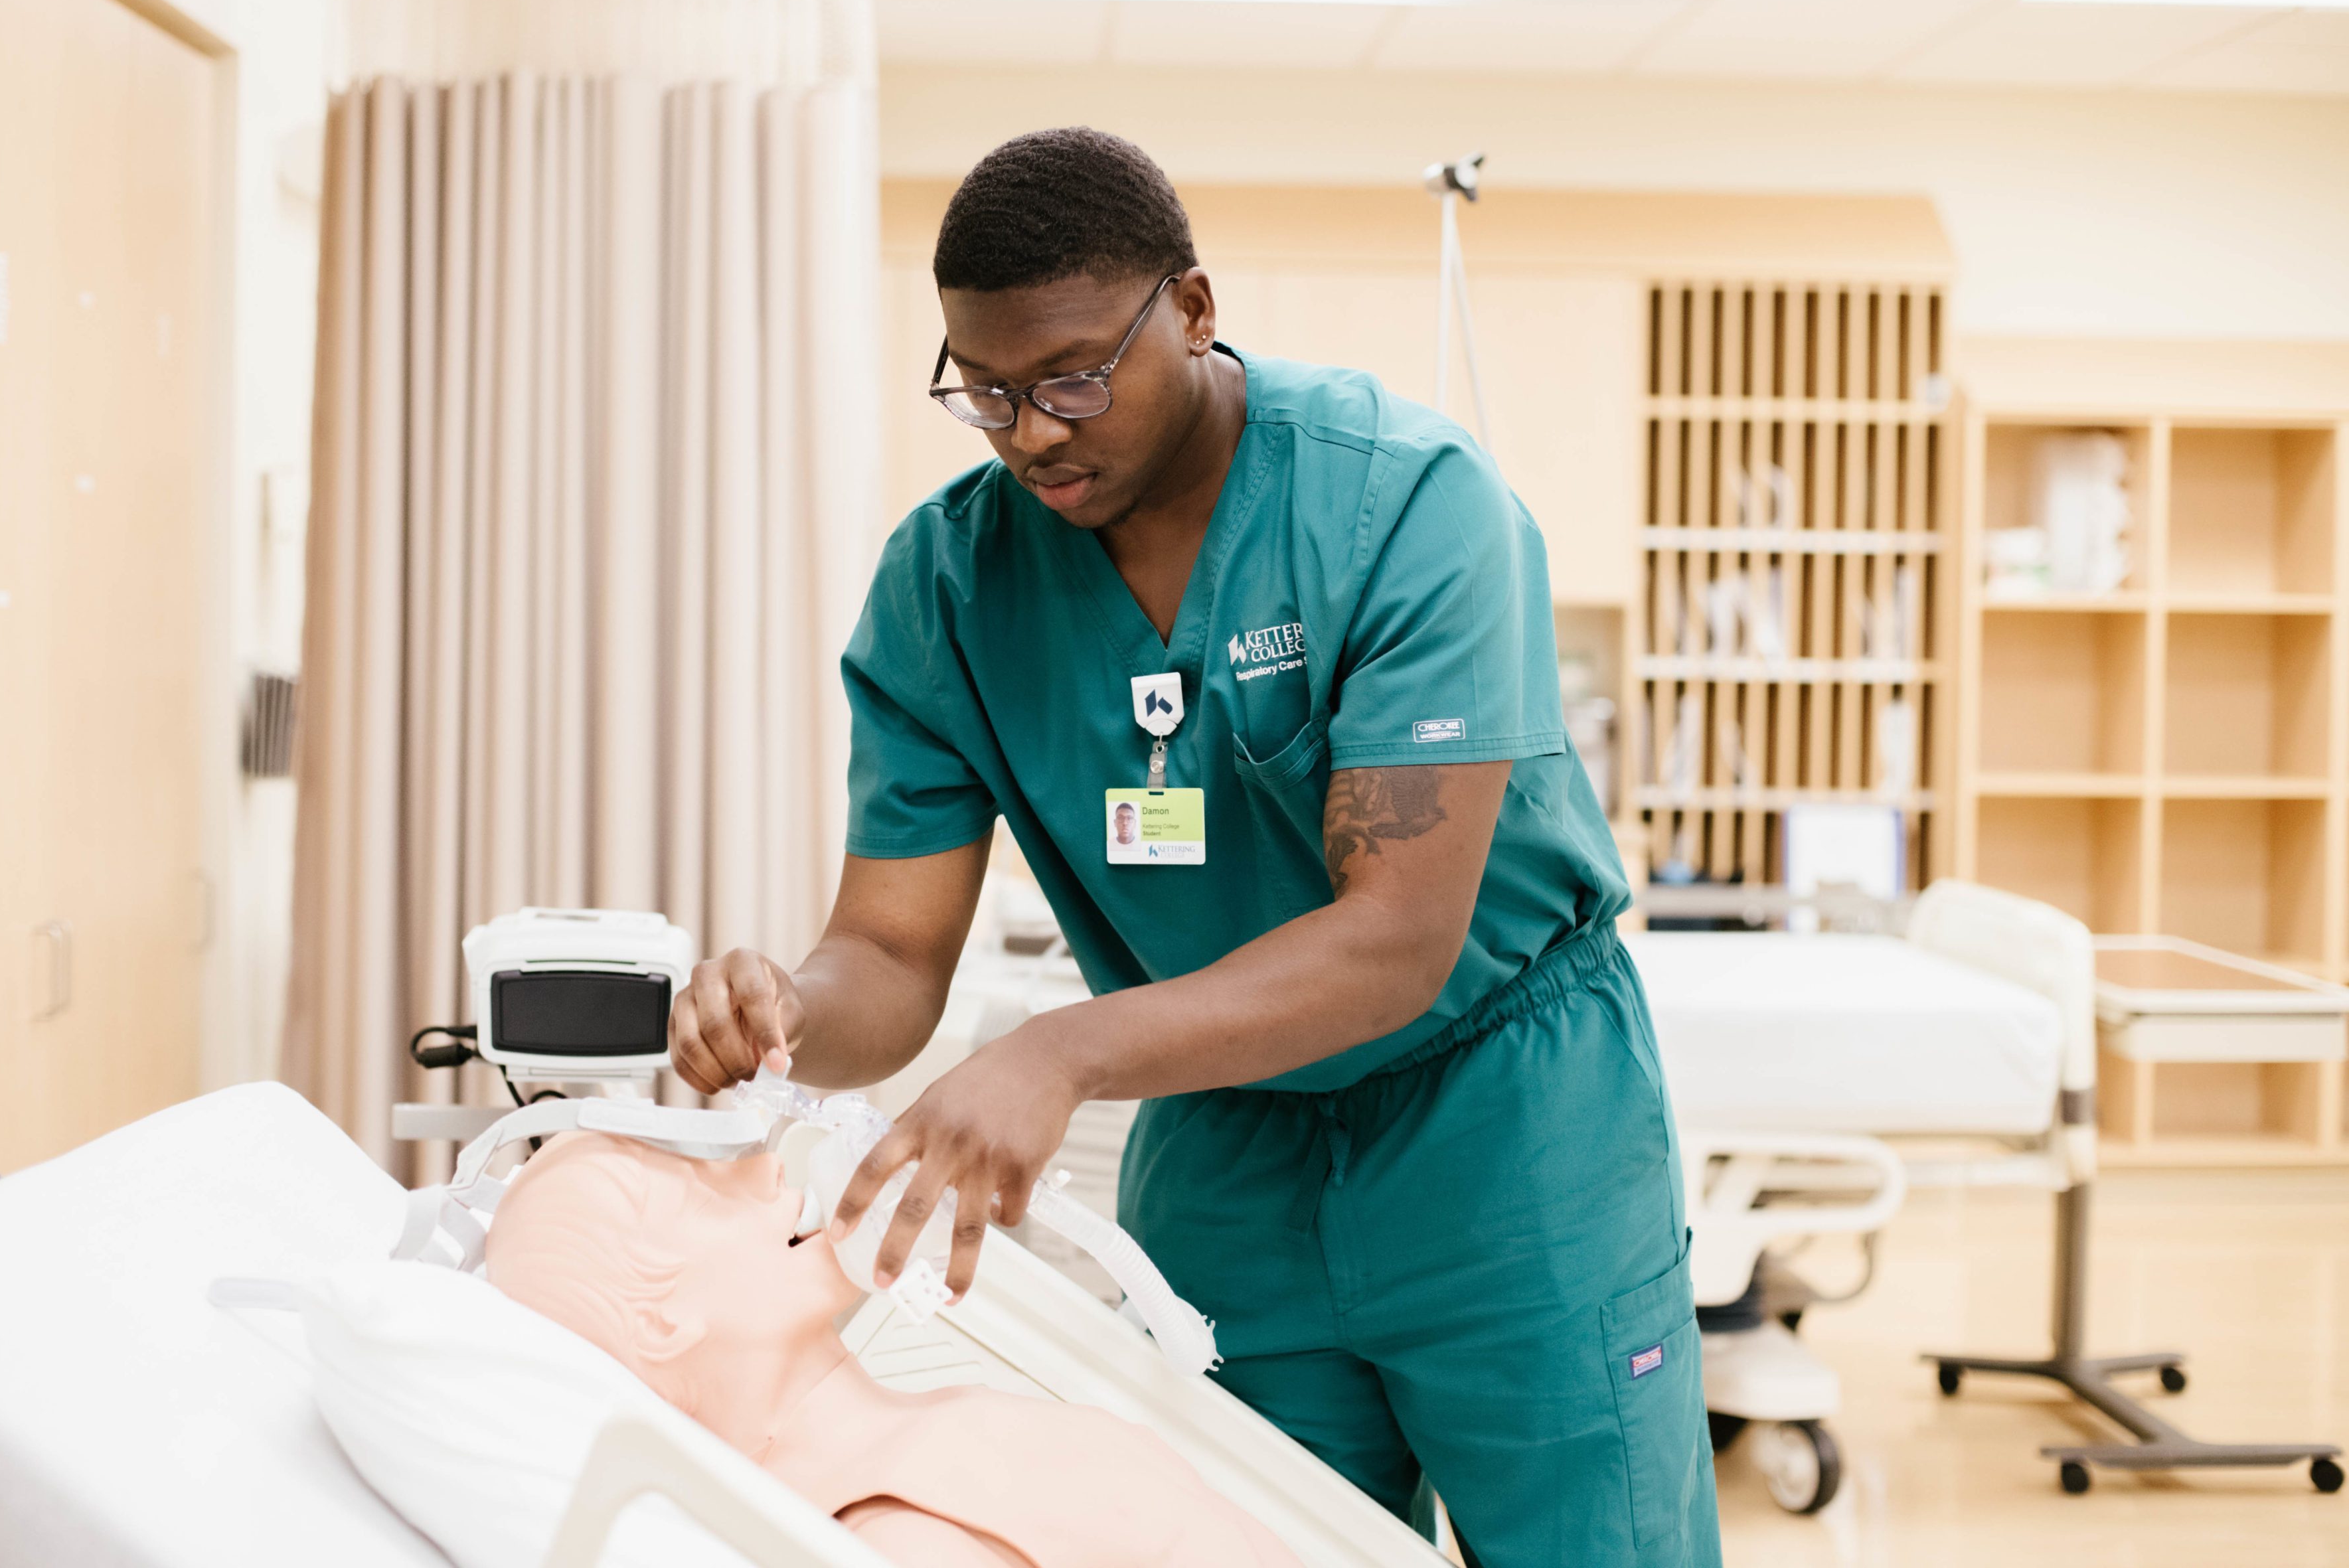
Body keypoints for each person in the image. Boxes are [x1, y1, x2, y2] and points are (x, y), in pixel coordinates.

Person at [669, 127, 1719, 1566]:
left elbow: (1395, 938)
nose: (1033, 430)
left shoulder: (1406, 506)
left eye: (1076, 377)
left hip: (1505, 1128)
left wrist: (1063, 1052)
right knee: (1243, 1541)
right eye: (985, 391)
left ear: (1196, 311)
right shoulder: (949, 585)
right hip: (1228, 1145)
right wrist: (790, 1011)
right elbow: (892, 954)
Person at [487, 1131, 1301, 1568]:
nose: (768, 1165)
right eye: (699, 1190)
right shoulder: (891, 1540)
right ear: (660, 1323)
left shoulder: (936, 1430)